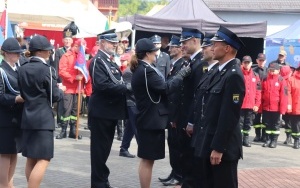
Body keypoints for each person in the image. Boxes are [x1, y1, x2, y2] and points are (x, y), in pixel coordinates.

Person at [130, 38, 190, 188]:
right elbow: (165, 87)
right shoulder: (146, 70)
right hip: (151, 120)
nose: (156, 55)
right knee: (148, 159)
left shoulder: (142, 68)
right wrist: (181, 75)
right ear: (148, 54)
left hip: (148, 118)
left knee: (147, 159)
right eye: (154, 52)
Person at [197, 26, 246, 188]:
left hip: (223, 148)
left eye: (215, 44)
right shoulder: (220, 72)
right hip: (210, 142)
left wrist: (219, 147)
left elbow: (229, 116)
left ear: (227, 48)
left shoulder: (233, 75)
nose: (212, 47)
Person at [18, 35, 64, 188]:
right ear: (42, 52)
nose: (50, 53)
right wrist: (61, 90)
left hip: (27, 116)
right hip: (43, 119)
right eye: (48, 51)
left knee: (31, 158)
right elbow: (54, 97)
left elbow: (23, 94)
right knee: (44, 159)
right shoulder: (47, 69)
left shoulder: (22, 68)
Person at [89, 29, 129, 188]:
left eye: (115, 42)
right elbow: (102, 85)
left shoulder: (109, 60)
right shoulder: (98, 61)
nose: (114, 45)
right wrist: (125, 88)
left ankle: (102, 180)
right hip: (102, 112)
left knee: (104, 150)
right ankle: (98, 183)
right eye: (111, 42)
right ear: (102, 43)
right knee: (99, 151)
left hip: (109, 112)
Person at [187, 32, 219, 188]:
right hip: (201, 128)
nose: (204, 50)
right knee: (198, 173)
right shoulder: (208, 70)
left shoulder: (220, 73)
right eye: (206, 46)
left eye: (207, 47)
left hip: (209, 131)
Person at [176, 27, 207, 188]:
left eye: (185, 42)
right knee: (184, 159)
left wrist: (191, 121)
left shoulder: (201, 64)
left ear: (195, 41)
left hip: (191, 121)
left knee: (190, 162)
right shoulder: (191, 62)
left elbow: (198, 97)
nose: (182, 46)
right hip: (184, 118)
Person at [159, 35, 185, 186]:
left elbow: (178, 94)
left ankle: (179, 174)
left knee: (177, 145)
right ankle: (174, 172)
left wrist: (174, 116)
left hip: (176, 113)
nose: (169, 48)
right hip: (171, 112)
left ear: (180, 48)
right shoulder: (174, 65)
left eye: (173, 46)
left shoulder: (182, 65)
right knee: (172, 144)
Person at [0, 38, 24, 188]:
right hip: (5, 118)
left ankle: (9, 183)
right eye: (16, 53)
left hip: (17, 118)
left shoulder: (18, 68)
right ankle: (3, 184)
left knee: (14, 153)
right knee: (5, 153)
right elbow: (0, 96)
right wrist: (16, 99)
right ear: (7, 53)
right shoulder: (1, 70)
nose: (19, 56)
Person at [56, 38, 88, 140]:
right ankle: (64, 130)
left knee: (76, 111)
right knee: (66, 110)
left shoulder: (82, 58)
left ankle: (73, 130)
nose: (82, 50)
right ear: (76, 46)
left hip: (78, 89)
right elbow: (62, 71)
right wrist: (74, 78)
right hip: (68, 88)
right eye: (81, 47)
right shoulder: (66, 56)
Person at [261, 62, 288, 148]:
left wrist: (283, 109)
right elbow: (261, 93)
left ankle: (274, 141)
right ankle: (268, 139)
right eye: (270, 70)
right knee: (267, 124)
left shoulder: (282, 80)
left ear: (278, 71)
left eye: (273, 70)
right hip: (266, 107)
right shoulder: (264, 79)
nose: (271, 72)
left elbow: (284, 96)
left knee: (275, 125)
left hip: (276, 108)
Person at [239, 56, 261, 147]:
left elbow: (258, 91)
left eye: (248, 62)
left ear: (251, 63)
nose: (246, 64)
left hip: (250, 105)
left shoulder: (256, 76)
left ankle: (246, 139)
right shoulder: (238, 74)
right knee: (239, 123)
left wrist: (257, 104)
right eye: (245, 62)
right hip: (240, 105)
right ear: (242, 63)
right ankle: (239, 140)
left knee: (248, 123)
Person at [54, 30, 74, 128]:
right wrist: (58, 81)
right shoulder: (59, 51)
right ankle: (60, 121)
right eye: (65, 39)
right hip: (61, 80)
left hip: (72, 81)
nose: (67, 41)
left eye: (69, 40)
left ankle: (71, 125)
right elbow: (56, 66)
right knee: (61, 102)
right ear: (63, 40)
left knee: (71, 105)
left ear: (72, 41)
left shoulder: (74, 52)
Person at [119, 66, 138, 158]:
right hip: (132, 102)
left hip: (136, 102)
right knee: (137, 127)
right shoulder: (128, 72)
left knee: (130, 127)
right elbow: (128, 87)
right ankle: (143, 150)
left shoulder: (137, 70)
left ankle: (123, 148)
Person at [252, 53, 268, 142]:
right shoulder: (253, 71)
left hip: (265, 99)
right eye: (260, 60)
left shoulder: (269, 71)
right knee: (256, 118)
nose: (261, 62)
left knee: (266, 119)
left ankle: (264, 136)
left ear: (265, 61)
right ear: (257, 61)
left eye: (263, 60)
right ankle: (257, 135)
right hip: (256, 98)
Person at [287, 63, 300, 149]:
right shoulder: (291, 79)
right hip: (295, 107)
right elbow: (288, 93)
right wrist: (289, 105)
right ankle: (296, 140)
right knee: (295, 125)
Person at [280, 65, 293, 145]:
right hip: (285, 103)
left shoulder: (293, 79)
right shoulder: (281, 79)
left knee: (295, 123)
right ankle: (288, 138)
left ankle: (295, 139)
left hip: (293, 104)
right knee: (287, 122)